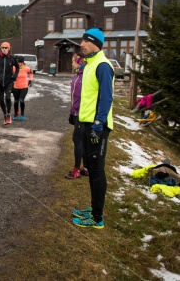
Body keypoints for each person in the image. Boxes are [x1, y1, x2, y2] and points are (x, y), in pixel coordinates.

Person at [72, 28, 114, 229]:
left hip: (99, 127)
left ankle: (97, 218)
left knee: (97, 171)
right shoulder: (89, 64)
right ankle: (93, 208)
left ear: (95, 43)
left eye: (85, 41)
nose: (81, 44)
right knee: (91, 168)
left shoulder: (103, 66)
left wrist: (98, 124)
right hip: (88, 124)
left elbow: (106, 98)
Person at [65, 53, 89, 179]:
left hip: (83, 113)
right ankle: (86, 167)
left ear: (80, 62)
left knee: (78, 139)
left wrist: (78, 110)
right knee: (82, 140)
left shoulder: (85, 76)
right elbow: (75, 95)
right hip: (76, 112)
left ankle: (76, 170)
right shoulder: (78, 75)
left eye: (74, 61)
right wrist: (72, 111)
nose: (72, 63)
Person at [0, 42, 19, 125]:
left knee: (8, 98)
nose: (4, 49)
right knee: (1, 101)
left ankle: (9, 114)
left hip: (8, 82)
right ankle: (5, 115)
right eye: (2, 48)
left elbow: (17, 67)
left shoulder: (12, 58)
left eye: (6, 47)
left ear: (9, 48)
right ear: (1, 49)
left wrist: (15, 76)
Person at [11, 55, 34, 121]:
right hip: (16, 86)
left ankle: (22, 114)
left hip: (24, 87)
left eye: (21, 62)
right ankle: (15, 113)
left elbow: (31, 73)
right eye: (18, 62)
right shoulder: (14, 68)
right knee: (16, 101)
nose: (19, 64)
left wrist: (30, 80)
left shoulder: (27, 68)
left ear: (23, 62)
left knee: (21, 100)